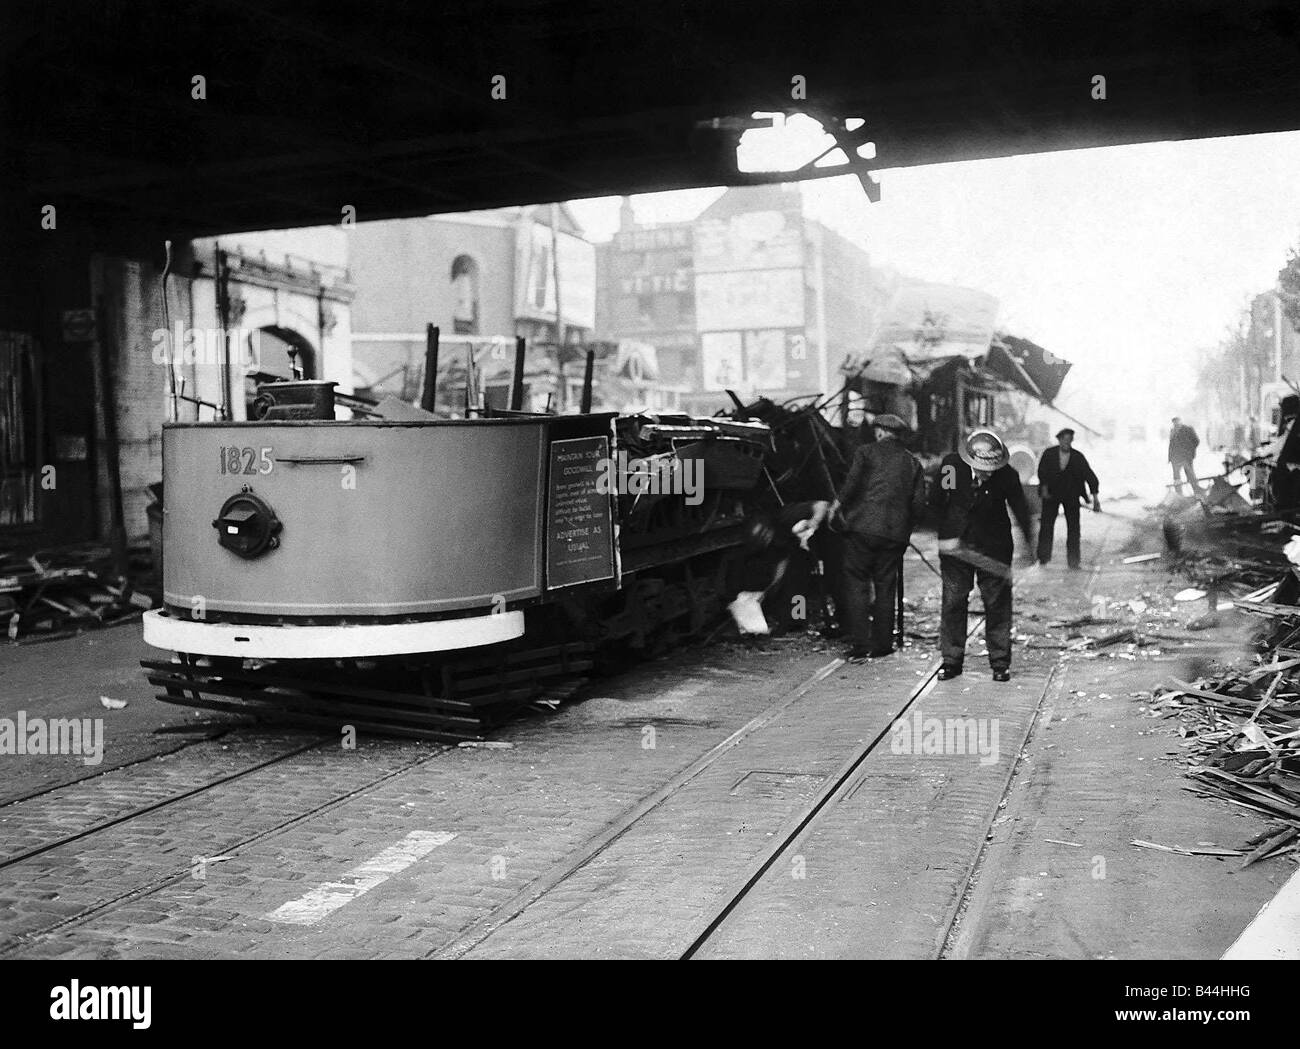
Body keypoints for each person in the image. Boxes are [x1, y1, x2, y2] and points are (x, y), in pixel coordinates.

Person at [931, 428, 1033, 682]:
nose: (987, 473)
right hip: (956, 548)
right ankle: (951, 661)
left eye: (992, 468)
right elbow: (936, 500)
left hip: (993, 548)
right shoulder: (952, 468)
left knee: (997, 604)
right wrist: (944, 530)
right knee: (954, 602)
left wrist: (1031, 546)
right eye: (981, 468)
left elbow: (1021, 509)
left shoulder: (1007, 475)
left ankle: (1000, 663)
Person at [826, 413, 926, 661]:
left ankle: (860, 644)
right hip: (894, 536)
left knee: (857, 584)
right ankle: (883, 645)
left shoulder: (866, 452)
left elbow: (851, 484)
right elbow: (919, 504)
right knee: (885, 587)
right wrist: (905, 527)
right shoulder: (913, 463)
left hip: (862, 529)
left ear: (880, 431)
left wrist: (835, 507)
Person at [728, 500, 830, 636]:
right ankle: (782, 620)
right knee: (783, 588)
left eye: (767, 538)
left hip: (802, 551)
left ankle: (797, 623)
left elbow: (822, 505)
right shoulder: (762, 546)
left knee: (797, 588)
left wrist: (814, 522)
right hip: (784, 554)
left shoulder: (786, 515)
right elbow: (779, 563)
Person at [1035, 428, 1100, 569]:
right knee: (1046, 526)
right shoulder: (1049, 454)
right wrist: (1044, 488)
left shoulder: (1077, 457)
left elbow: (1090, 476)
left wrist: (1095, 498)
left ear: (1072, 441)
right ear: (1059, 440)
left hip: (1071, 495)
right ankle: (1043, 557)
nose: (1066, 442)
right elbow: (1042, 471)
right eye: (1064, 439)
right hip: (1051, 495)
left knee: (1074, 528)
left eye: (1069, 440)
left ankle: (1074, 561)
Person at [1168, 416, 1201, 496]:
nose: (1176, 423)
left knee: (1190, 475)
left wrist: (1190, 451)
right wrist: (1171, 457)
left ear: (1181, 421)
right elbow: (1171, 444)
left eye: (1177, 421)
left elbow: (1196, 441)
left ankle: (1197, 493)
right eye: (1174, 422)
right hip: (1175, 458)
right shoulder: (1172, 431)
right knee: (1177, 478)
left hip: (1186, 457)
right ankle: (1179, 495)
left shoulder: (1188, 429)